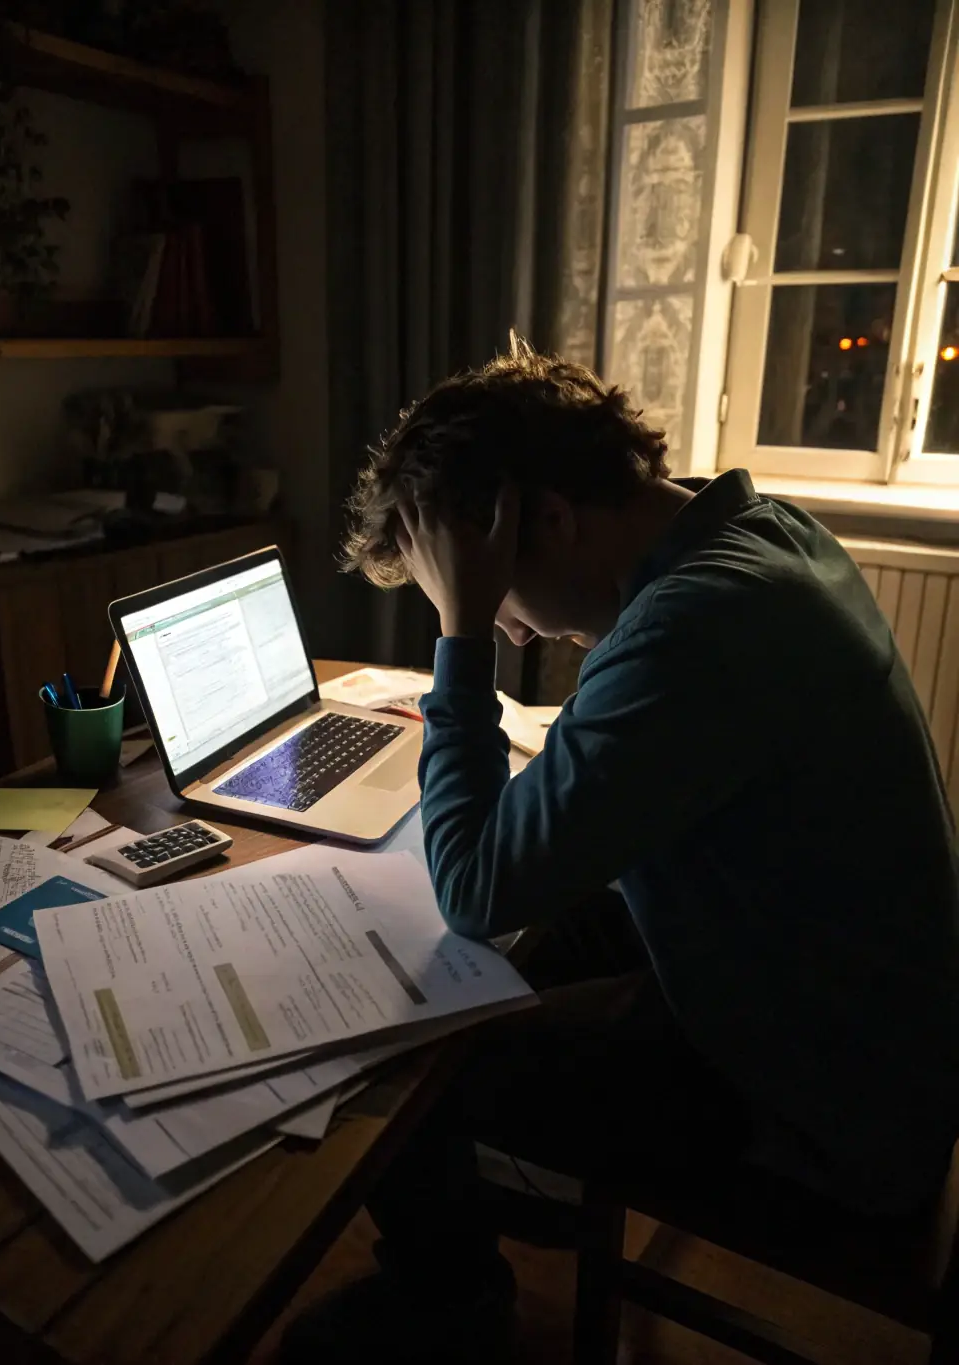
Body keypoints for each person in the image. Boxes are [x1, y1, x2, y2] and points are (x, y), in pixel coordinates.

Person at [277, 336, 959, 1363]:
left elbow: (471, 884)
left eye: (488, 590)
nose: (509, 633)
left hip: (828, 1115)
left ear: (550, 519)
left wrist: (455, 638)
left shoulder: (696, 623)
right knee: (483, 967)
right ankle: (479, 1226)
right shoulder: (760, 534)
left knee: (406, 1053)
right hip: (851, 1013)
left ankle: (448, 1298)